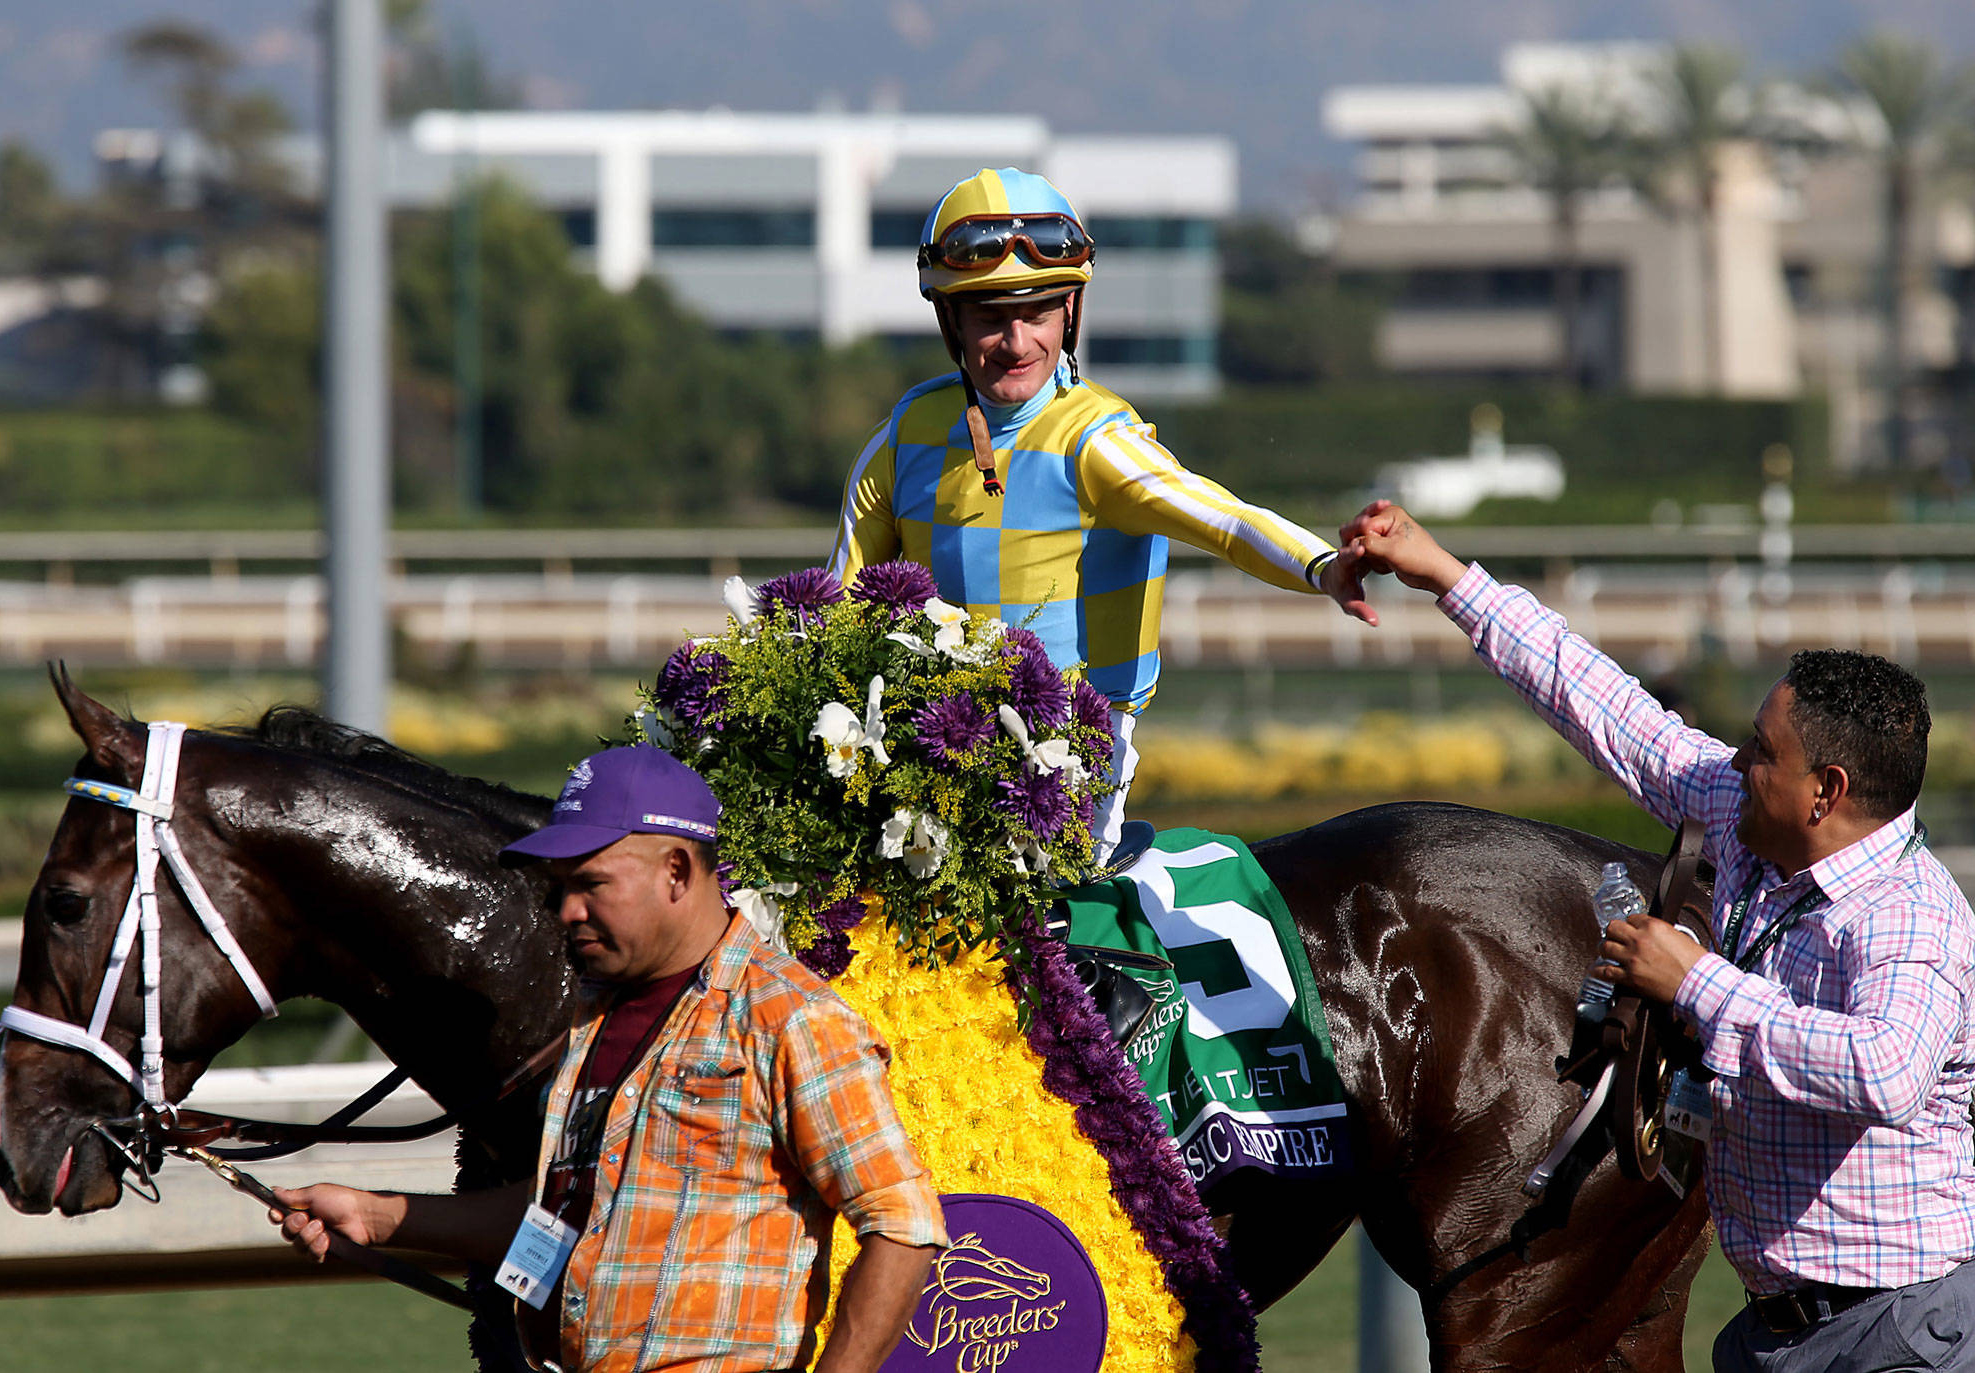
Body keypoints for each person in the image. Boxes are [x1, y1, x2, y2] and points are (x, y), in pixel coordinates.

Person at [1343, 499, 1975, 1372]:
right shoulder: (1750, 821)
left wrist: (1696, 983)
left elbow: (1886, 1071)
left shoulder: (1912, 915)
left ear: (1825, 791)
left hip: (1898, 1335)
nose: (1738, 763)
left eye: (1762, 751)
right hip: (1773, 1332)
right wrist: (1446, 574)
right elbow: (1608, 708)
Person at [269, 745, 948, 1373]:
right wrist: (376, 1215)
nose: (567, 909)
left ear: (676, 870)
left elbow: (902, 1224)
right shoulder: (595, 1017)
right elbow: (564, 1218)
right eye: (561, 886)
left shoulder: (790, 1015)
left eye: (591, 883)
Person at [827, 167, 1376, 855]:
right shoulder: (906, 433)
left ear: (1070, 314)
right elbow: (836, 607)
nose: (1017, 342)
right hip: (927, 746)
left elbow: (1228, 521)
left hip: (1069, 757)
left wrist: (1323, 566)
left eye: (1037, 314)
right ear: (953, 322)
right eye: (992, 317)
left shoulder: (1100, 441)